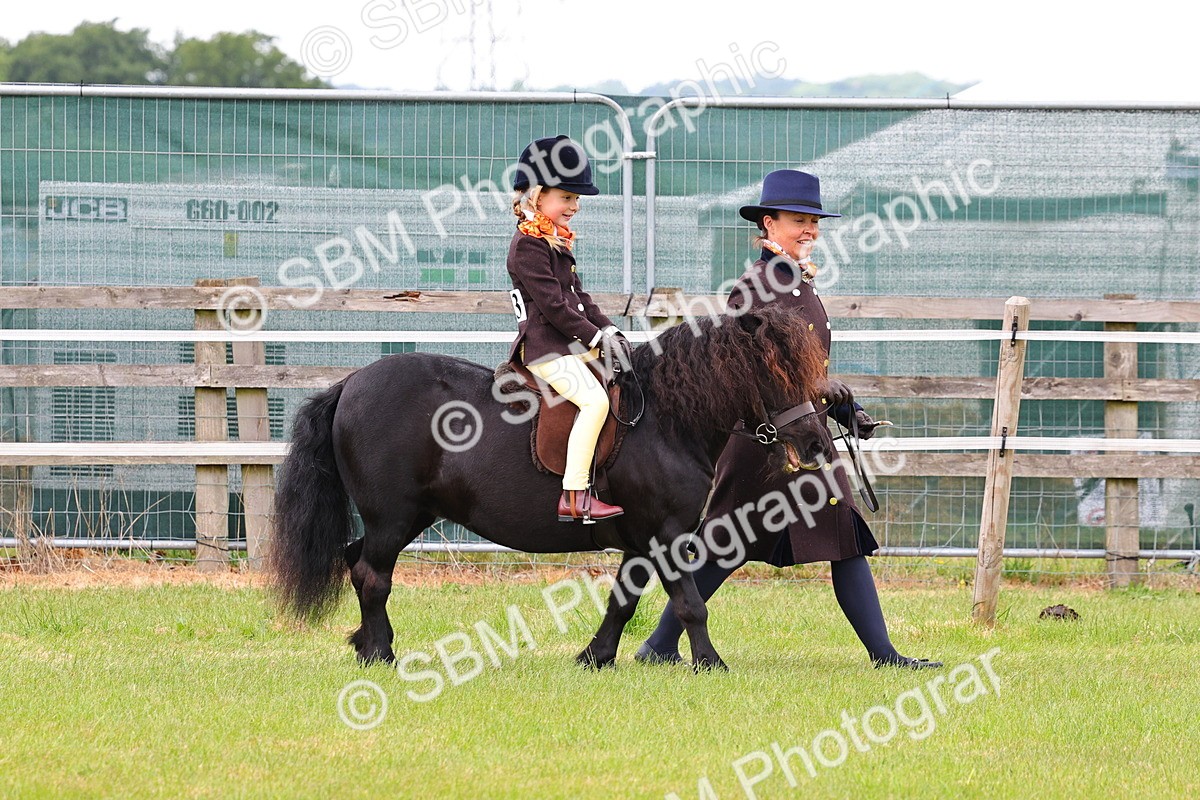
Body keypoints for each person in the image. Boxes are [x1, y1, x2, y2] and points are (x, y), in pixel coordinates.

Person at [635, 169, 941, 669]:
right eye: (799, 221)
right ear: (769, 223)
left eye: (814, 223)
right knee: (724, 544)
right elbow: (747, 361)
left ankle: (884, 655)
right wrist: (818, 389)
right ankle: (660, 644)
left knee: (842, 539)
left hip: (805, 435)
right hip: (767, 442)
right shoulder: (754, 286)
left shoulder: (797, 282)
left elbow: (804, 363)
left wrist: (845, 407)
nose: (810, 231)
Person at [506, 135, 629, 523]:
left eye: (576, 200)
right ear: (538, 197)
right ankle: (574, 495)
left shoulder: (554, 241)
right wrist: (593, 338)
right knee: (594, 402)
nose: (574, 207)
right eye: (567, 198)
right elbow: (555, 307)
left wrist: (609, 331)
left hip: (569, 345)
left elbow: (580, 296)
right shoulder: (528, 246)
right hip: (547, 350)